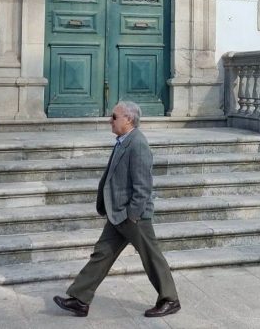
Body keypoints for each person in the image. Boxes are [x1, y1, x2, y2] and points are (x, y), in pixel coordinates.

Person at [53, 101, 180, 318]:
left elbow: (143, 185)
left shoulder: (138, 143)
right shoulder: (123, 140)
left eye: (114, 116)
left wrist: (132, 215)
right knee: (102, 254)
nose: (109, 120)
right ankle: (80, 299)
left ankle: (170, 299)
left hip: (133, 216)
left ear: (128, 119)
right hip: (118, 213)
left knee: (151, 256)